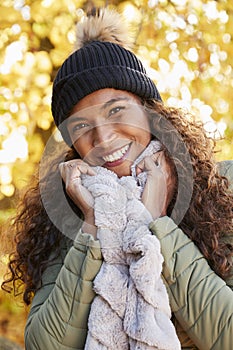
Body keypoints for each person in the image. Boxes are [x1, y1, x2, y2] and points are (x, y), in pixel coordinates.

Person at [1, 7, 233, 350]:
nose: (103, 137)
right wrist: (94, 226)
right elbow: (44, 344)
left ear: (150, 110)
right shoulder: (71, 216)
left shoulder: (223, 185)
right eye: (81, 125)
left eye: (116, 109)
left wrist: (156, 223)